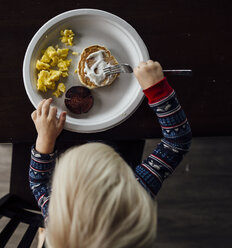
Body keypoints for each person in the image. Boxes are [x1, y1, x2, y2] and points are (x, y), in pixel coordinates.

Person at [29, 60, 192, 248]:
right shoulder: (137, 194)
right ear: (127, 182)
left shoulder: (56, 215)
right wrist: (157, 90)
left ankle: (44, 237)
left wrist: (45, 139)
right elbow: (177, 142)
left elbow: (38, 182)